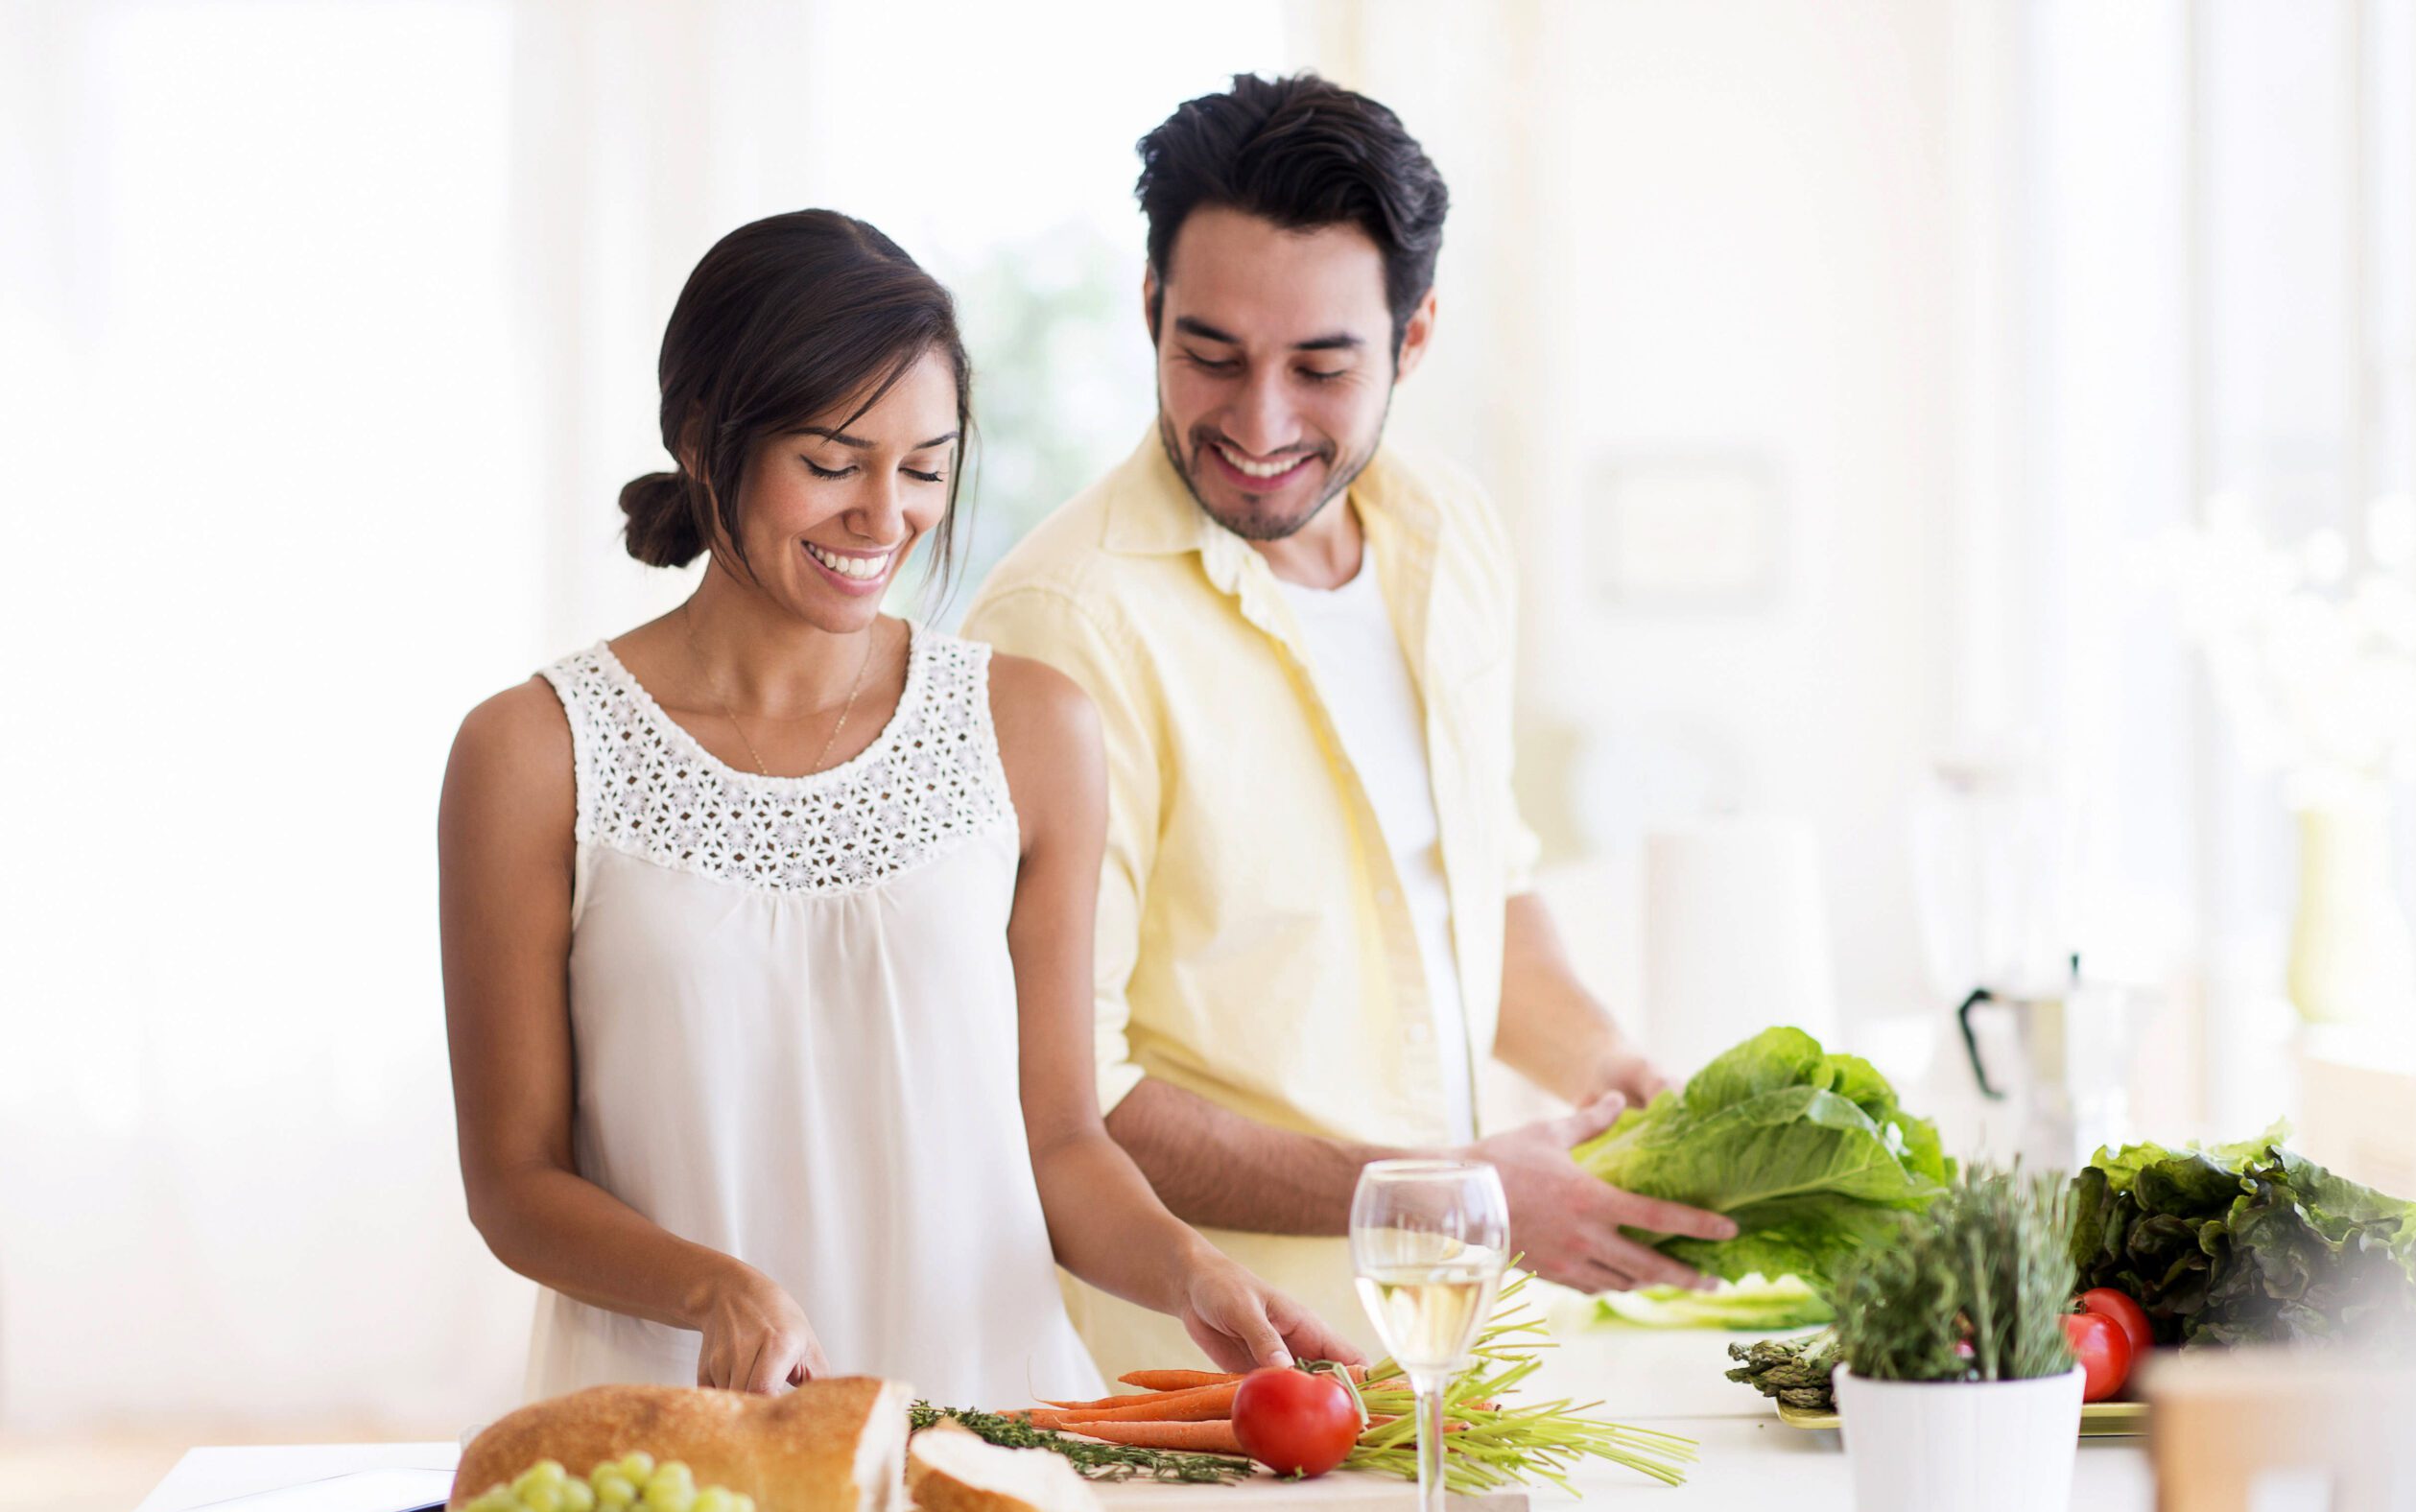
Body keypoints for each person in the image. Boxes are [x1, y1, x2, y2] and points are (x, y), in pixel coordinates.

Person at [439, 209, 1353, 1406]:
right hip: (678, 1437)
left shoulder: (1031, 728)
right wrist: (713, 1287)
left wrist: (1185, 1269)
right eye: (831, 464)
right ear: (702, 438)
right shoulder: (532, 753)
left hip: (991, 1424)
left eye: (925, 468)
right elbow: (515, 1180)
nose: (885, 517)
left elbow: (1061, 1141)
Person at [963, 76, 1736, 1377]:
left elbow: (1481, 883)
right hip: (1222, 1390)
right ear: (1149, 307)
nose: (1258, 425)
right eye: (1209, 354)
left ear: (1414, 336)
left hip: (1475, 1359)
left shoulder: (1450, 533)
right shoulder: (1064, 624)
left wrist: (1607, 1060)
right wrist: (1453, 1191)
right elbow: (1067, 1101)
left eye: (1321, 366)